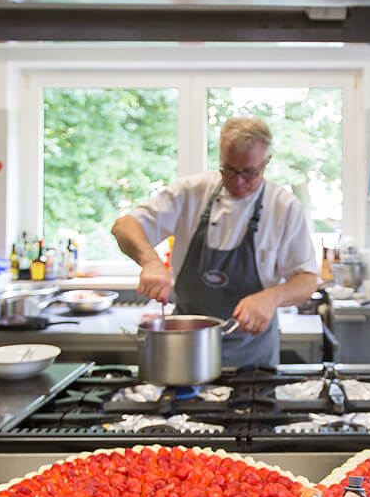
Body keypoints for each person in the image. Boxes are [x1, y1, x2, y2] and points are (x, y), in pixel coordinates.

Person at [110, 116, 320, 368]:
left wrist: (273, 297)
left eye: (249, 172)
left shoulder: (283, 207)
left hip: (251, 357)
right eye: (229, 170)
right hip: (186, 351)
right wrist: (150, 261)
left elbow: (307, 279)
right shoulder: (191, 192)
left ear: (266, 163)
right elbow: (124, 226)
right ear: (221, 156)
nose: (238, 181)